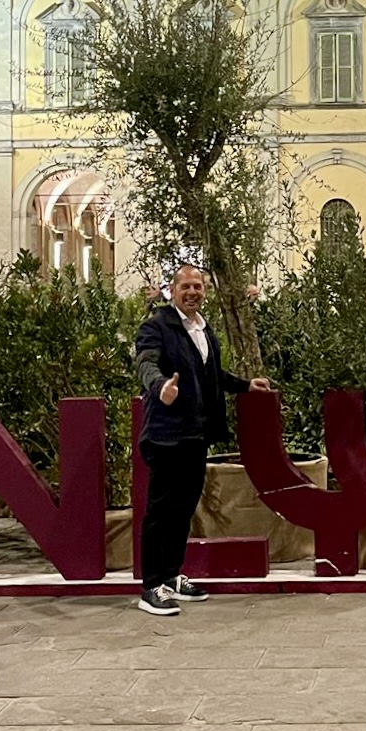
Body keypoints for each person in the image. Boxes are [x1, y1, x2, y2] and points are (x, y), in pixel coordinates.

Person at [133, 263, 269, 616]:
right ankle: (151, 586)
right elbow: (146, 363)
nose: (193, 292)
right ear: (172, 291)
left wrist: (244, 385)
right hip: (165, 435)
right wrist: (160, 386)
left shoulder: (204, 331)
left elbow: (210, 374)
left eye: (198, 287)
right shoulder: (157, 326)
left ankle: (172, 575)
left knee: (183, 508)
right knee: (160, 510)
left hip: (196, 434)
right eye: (186, 287)